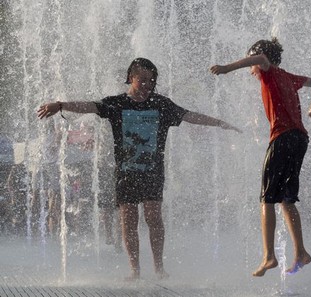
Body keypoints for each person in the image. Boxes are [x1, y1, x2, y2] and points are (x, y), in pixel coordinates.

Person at [37, 57, 241, 280]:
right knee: (129, 220)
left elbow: (190, 116)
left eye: (151, 81)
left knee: (154, 218)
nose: (146, 85)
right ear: (130, 78)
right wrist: (61, 105)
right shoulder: (117, 104)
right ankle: (135, 270)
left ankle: (159, 268)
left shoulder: (162, 104)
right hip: (126, 172)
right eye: (141, 80)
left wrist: (220, 123)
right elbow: (90, 106)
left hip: (152, 171)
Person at [211, 38, 311, 276]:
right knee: (286, 199)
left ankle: (269, 256)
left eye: (251, 64)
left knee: (267, 198)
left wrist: (226, 69)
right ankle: (301, 252)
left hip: (282, 137)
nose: (251, 70)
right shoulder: (289, 77)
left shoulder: (268, 70)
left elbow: (261, 59)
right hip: (301, 138)